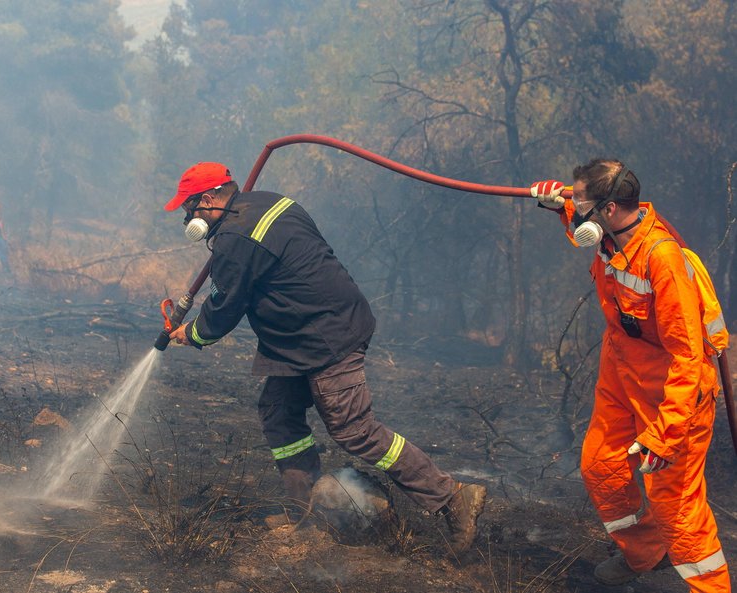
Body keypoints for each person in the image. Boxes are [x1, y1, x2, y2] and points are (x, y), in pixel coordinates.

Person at [165, 162, 487, 555]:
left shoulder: (235, 239)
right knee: (279, 413)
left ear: (212, 197)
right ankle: (307, 511)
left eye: (190, 206)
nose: (187, 216)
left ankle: (451, 496)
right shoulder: (270, 203)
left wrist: (192, 333)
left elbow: (224, 308)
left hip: (325, 336)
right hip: (300, 338)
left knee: (353, 428)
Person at [531, 160, 730, 592]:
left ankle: (710, 587)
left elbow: (688, 355)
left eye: (578, 198)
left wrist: (666, 435)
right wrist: (557, 205)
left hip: (673, 393)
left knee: (675, 504)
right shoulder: (614, 233)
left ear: (609, 209)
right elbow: (587, 230)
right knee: (601, 466)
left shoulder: (662, 259)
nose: (573, 204)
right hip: (622, 373)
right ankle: (645, 554)